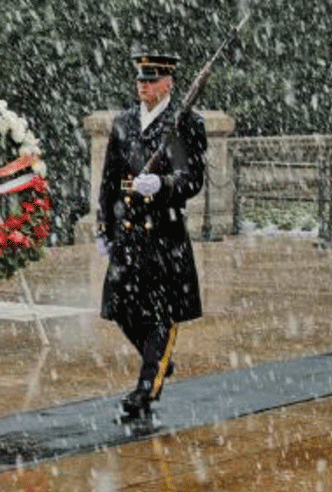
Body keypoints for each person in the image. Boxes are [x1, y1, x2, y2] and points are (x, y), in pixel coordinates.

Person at [97, 52, 207, 424]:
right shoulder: (125, 123)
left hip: (163, 235)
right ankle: (157, 360)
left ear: (169, 84)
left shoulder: (181, 125)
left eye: (151, 79)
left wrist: (162, 184)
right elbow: (110, 180)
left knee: (161, 314)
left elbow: (191, 179)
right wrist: (104, 227)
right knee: (121, 308)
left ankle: (144, 391)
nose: (143, 85)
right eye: (140, 79)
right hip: (129, 233)